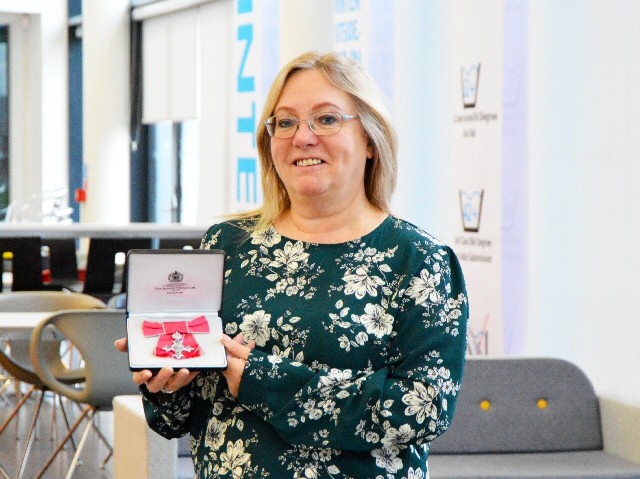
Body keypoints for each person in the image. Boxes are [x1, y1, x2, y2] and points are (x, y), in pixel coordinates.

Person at [116, 50, 468, 479]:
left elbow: (422, 412)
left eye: (326, 119)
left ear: (372, 141)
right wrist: (165, 381)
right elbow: (181, 417)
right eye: (285, 122)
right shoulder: (227, 245)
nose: (303, 137)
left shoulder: (419, 261)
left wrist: (262, 378)